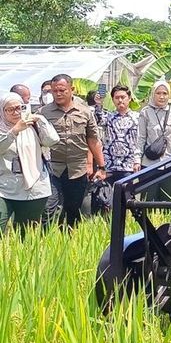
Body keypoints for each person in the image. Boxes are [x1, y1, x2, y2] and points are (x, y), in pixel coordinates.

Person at [39, 73, 105, 228]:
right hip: (52, 168)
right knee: (49, 207)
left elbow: (93, 140)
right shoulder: (43, 113)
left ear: (72, 89)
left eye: (62, 90)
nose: (58, 94)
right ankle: (45, 240)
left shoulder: (85, 112)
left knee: (73, 209)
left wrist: (101, 167)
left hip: (78, 168)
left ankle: (68, 240)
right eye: (55, 91)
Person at [0, 93, 59, 235]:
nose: (16, 112)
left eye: (19, 108)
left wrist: (41, 120)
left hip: (33, 187)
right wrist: (14, 131)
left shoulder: (33, 126)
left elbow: (52, 141)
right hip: (4, 186)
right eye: (10, 109)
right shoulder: (2, 128)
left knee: (24, 233)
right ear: (2, 111)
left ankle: (18, 257)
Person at [136, 80, 171, 201]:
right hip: (150, 162)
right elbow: (140, 138)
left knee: (169, 199)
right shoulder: (145, 112)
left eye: (165, 93)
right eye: (158, 93)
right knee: (148, 199)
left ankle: (168, 220)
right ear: (153, 94)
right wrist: (136, 159)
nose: (162, 96)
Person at [103, 85, 140, 185]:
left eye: (123, 97)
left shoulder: (137, 118)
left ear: (129, 98)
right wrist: (98, 102)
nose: (120, 100)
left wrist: (137, 160)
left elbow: (140, 141)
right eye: (116, 97)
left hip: (128, 165)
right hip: (109, 165)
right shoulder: (107, 117)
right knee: (108, 198)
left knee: (125, 198)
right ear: (113, 100)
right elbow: (96, 119)